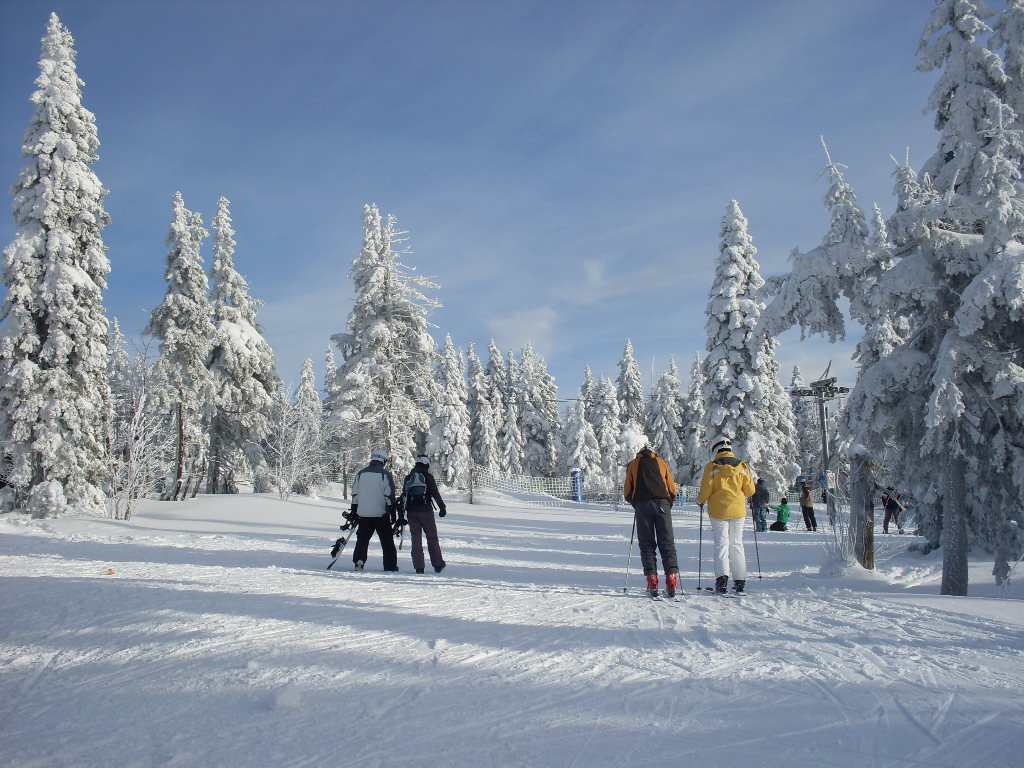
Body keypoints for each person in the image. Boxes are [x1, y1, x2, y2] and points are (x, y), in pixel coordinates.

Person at [696, 436, 756, 594]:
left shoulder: (712, 467)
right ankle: (740, 581)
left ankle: (722, 580)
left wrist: (700, 500)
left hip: (718, 510)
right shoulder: (742, 466)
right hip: (738, 511)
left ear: (716, 449)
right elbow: (750, 491)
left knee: (721, 545)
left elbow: (706, 489)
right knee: (737, 544)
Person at [623, 446, 680, 598]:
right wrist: (669, 502)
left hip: (643, 505)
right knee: (667, 543)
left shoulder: (634, 464)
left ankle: (652, 581)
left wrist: (634, 502)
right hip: (662, 504)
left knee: (647, 545)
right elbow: (671, 487)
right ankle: (672, 581)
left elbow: (627, 490)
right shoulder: (661, 462)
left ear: (639, 454)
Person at [349, 449, 399, 572]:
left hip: (364, 513)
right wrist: (393, 512)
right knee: (387, 541)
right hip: (381, 513)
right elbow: (389, 495)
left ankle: (359, 560)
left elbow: (355, 493)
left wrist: (354, 510)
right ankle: (390, 565)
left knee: (362, 539)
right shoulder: (385, 475)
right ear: (383, 460)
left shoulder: (361, 474)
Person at [398, 454, 448, 574]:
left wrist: (401, 512)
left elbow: (404, 495)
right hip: (426, 511)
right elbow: (435, 493)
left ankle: (419, 567)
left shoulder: (408, 477)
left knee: (416, 539)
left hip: (411, 512)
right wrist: (442, 507)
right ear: (426, 464)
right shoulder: (428, 477)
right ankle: (438, 564)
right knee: (432, 538)